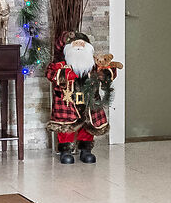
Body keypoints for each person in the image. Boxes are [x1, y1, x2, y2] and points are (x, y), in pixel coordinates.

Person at [45, 31, 117, 163]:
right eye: (75, 44)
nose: (79, 47)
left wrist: (106, 72)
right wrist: (65, 75)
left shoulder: (93, 65)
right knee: (66, 126)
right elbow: (50, 74)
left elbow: (108, 75)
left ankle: (86, 150)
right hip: (67, 102)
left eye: (82, 44)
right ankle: (65, 150)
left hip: (89, 101)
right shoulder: (61, 64)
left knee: (88, 124)